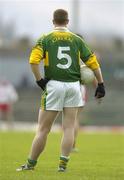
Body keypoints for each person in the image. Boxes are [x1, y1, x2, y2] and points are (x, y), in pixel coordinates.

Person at [17, 9, 105, 172]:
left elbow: (33, 61)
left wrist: (39, 80)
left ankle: (30, 164)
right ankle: (63, 166)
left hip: (54, 86)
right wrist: (100, 84)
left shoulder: (45, 39)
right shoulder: (77, 40)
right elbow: (93, 63)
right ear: (67, 21)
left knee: (43, 129)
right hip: (73, 86)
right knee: (69, 127)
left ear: (53, 21)